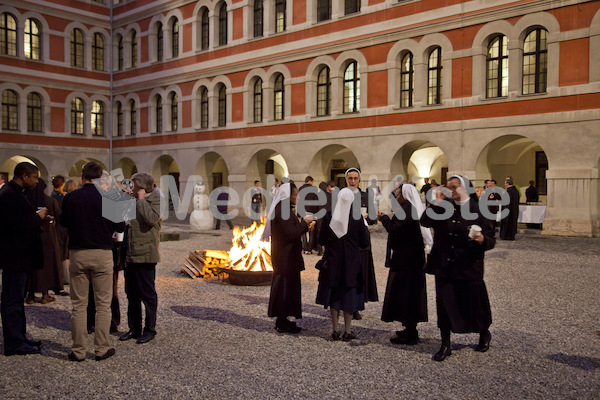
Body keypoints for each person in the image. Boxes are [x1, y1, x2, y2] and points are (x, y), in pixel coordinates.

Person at [421, 175, 496, 362]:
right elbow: (424, 222)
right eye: (448, 188)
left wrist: (482, 240)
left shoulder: (479, 210)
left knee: (474, 303)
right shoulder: (443, 207)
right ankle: (445, 343)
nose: (450, 191)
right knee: (444, 304)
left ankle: (483, 333)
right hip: (444, 266)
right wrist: (436, 203)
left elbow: (491, 238)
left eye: (454, 188)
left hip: (468, 266)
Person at [61, 162, 125, 361]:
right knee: (103, 305)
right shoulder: (108, 197)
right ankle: (101, 349)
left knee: (78, 305)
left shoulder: (71, 197)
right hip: (102, 253)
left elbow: (63, 223)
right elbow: (121, 226)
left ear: (82, 177)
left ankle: (78, 351)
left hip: (78, 253)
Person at [316, 168, 369, 341]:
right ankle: (347, 330)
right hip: (351, 262)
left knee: (334, 294)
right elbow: (365, 243)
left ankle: (335, 329)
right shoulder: (357, 218)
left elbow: (321, 239)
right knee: (348, 294)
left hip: (333, 261)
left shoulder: (330, 215)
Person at [0, 162, 46, 356]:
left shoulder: (15, 193)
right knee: (12, 300)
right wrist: (38, 218)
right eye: (35, 177)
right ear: (24, 176)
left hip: (20, 256)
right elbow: (15, 224)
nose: (37, 181)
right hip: (15, 256)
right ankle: (13, 342)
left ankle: (19, 337)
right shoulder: (9, 195)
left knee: (17, 299)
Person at [378, 184, 432, 345]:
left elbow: (395, 229)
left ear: (404, 195)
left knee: (407, 294)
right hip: (411, 259)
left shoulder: (407, 210)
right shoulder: (409, 208)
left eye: (397, 192)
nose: (395, 195)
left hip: (407, 261)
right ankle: (409, 328)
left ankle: (410, 332)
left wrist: (384, 219)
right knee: (409, 294)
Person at [262, 182, 312, 333]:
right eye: (295, 194)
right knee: (283, 290)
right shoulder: (282, 210)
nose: (297, 197)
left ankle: (283, 319)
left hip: (287, 257)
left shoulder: (285, 209)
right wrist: (304, 223)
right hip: (285, 258)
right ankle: (281, 321)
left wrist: (303, 226)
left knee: (288, 289)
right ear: (287, 195)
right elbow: (290, 233)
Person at [120, 172, 162, 344]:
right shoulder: (133, 198)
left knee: (148, 294)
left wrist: (141, 200)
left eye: (134, 185)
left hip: (146, 254)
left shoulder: (155, 199)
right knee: (131, 293)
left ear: (142, 188)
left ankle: (150, 329)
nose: (131, 187)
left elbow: (151, 219)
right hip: (130, 253)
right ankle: (134, 328)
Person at [25, 178, 66, 304]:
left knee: (31, 266)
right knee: (47, 265)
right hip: (48, 237)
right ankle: (45, 294)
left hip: (31, 237)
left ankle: (30, 295)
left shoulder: (27, 201)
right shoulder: (50, 201)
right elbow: (61, 218)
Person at [299, 176, 319, 254]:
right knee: (311, 231)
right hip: (311, 212)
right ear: (311, 181)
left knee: (302, 230)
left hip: (302, 211)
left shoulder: (300, 189)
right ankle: (310, 249)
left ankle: (304, 248)